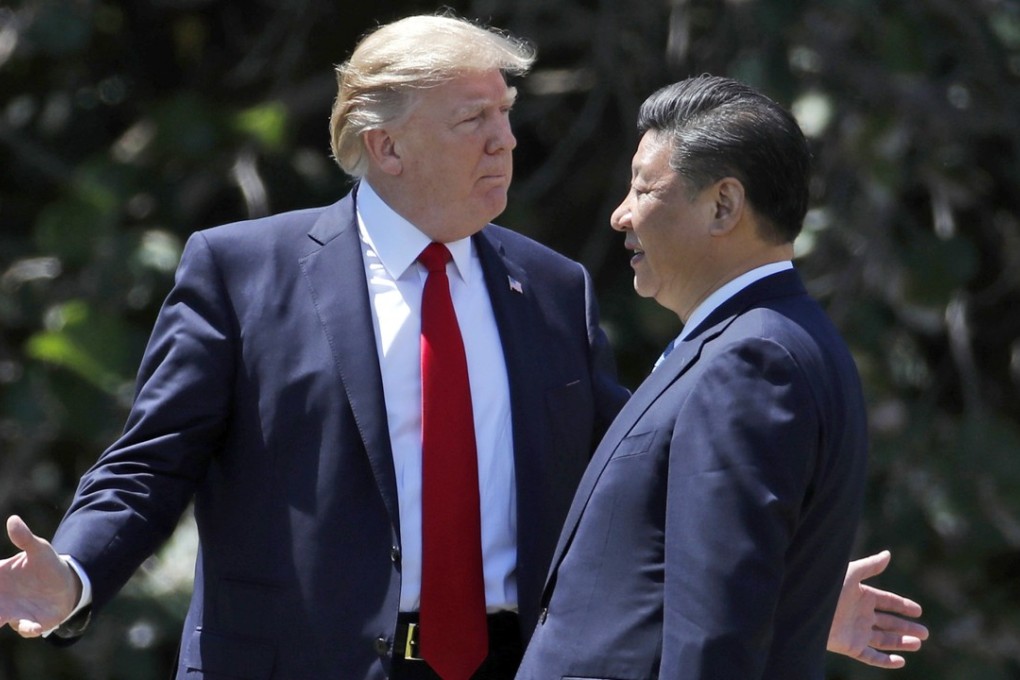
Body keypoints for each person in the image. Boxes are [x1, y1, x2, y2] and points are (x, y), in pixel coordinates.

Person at [0, 16, 924, 680]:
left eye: (506, 113)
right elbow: (149, 465)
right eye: (473, 119)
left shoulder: (552, 286)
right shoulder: (245, 271)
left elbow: (628, 476)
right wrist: (73, 575)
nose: (507, 140)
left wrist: (785, 582)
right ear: (386, 147)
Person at [516, 74, 902, 679]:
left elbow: (716, 634)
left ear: (724, 205)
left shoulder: (752, 362)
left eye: (644, 190)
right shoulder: (758, 343)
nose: (621, 215)